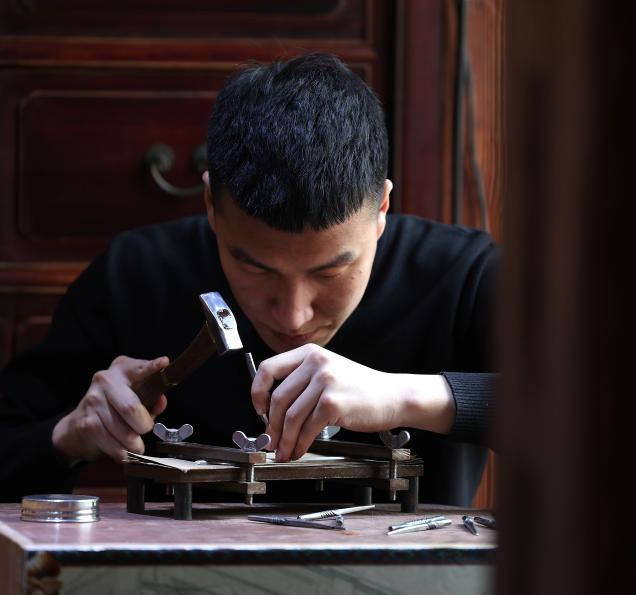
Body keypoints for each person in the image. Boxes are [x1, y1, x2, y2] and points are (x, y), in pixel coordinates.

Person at [0, 53, 497, 506]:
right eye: (255, 268)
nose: (293, 315)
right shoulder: (135, 274)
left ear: (382, 207)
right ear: (210, 204)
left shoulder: (462, 274)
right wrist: (67, 436)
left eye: (330, 270)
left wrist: (406, 397)